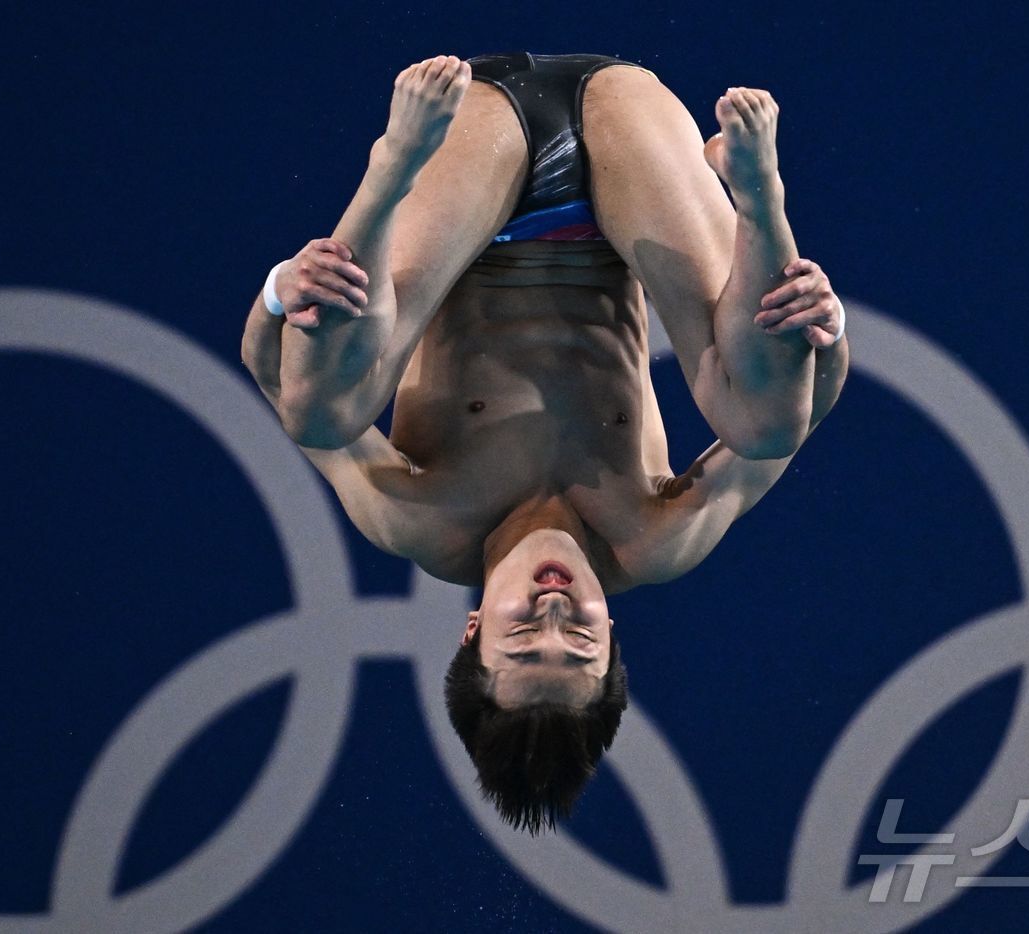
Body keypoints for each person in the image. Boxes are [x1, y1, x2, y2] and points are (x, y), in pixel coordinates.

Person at [240, 53, 848, 832]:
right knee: (763, 422)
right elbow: (798, 420)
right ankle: (760, 202)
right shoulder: (651, 539)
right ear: (612, 634)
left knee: (319, 412)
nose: (554, 610)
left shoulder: (420, 519)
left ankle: (387, 171)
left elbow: (278, 381)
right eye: (580, 638)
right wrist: (824, 331)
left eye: (523, 634)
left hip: (471, 167)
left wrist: (278, 291)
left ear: (472, 630)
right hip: (630, 159)